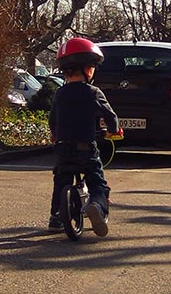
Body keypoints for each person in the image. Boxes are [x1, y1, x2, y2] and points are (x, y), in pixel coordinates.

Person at [47, 36, 119, 237]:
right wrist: (113, 129)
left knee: (61, 180)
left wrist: (56, 135)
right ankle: (97, 204)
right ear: (88, 69)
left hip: (63, 148)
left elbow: (52, 120)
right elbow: (110, 116)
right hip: (86, 148)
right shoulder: (93, 92)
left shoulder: (59, 94)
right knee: (98, 182)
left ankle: (55, 217)